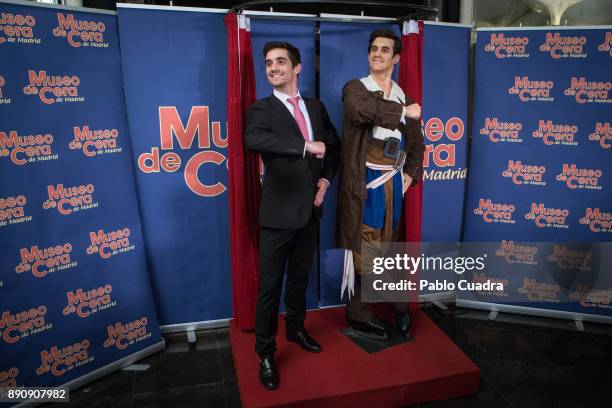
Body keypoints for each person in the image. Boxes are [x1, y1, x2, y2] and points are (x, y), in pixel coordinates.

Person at [245, 41, 340, 391]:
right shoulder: (262, 109)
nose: (273, 67)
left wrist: (325, 182)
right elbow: (253, 139)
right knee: (270, 287)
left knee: (300, 277)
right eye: (269, 63)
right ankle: (265, 353)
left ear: (297, 67)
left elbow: (334, 146)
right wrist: (304, 146)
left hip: (311, 211)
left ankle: (297, 328)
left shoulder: (315, 106)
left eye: (281, 61)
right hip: (277, 214)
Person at [336, 29, 425, 340]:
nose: (377, 54)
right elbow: (358, 112)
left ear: (396, 58)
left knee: (387, 245)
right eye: (373, 49)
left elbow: (417, 146)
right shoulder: (356, 89)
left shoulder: (405, 97)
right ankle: (374, 309)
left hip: (393, 184)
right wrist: (401, 112)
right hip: (364, 183)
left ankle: (383, 307)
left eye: (385, 50)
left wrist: (408, 177)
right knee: (366, 246)